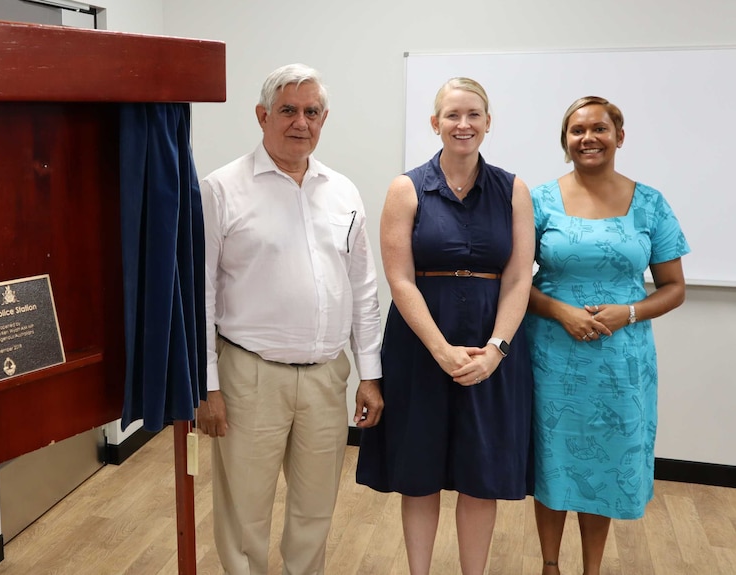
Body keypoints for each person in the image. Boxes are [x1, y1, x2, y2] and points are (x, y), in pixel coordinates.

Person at [195, 63, 384, 575]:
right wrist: (206, 385)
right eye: (288, 111)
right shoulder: (221, 189)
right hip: (249, 377)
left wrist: (370, 373)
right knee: (244, 513)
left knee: (314, 508)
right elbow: (201, 295)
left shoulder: (343, 191)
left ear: (324, 119)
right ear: (262, 116)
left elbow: (363, 289)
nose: (301, 122)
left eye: (312, 112)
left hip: (327, 377)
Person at [356, 77, 535, 575]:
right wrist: (439, 349)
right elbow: (400, 278)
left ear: (487, 123)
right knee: (420, 471)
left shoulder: (513, 189)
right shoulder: (407, 187)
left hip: (490, 349)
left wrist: (497, 348)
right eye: (453, 115)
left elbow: (520, 275)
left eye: (474, 115)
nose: (464, 124)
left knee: (482, 473)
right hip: (419, 346)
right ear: (435, 124)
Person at [526, 96, 689, 575]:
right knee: (553, 456)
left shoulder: (651, 203)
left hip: (620, 361)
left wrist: (630, 312)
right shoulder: (538, 200)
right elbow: (514, 283)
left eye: (599, 128)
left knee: (604, 461)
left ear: (620, 135)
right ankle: (550, 565)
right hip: (552, 354)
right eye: (577, 130)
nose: (588, 138)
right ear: (565, 141)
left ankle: (591, 569)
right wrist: (560, 311)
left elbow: (674, 287)